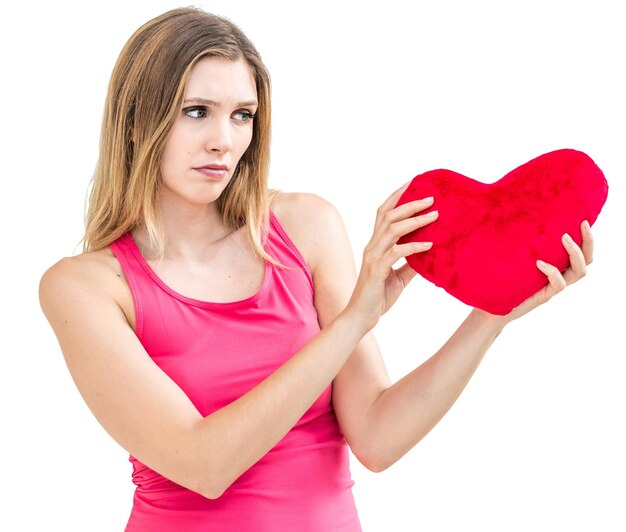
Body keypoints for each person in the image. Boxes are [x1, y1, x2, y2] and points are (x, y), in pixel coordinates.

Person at [38, 6, 594, 532]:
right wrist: (354, 320)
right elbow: (204, 465)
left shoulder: (304, 228)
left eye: (242, 116)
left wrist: (493, 312)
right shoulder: (86, 286)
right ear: (137, 122)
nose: (223, 141)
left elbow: (377, 438)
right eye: (196, 111)